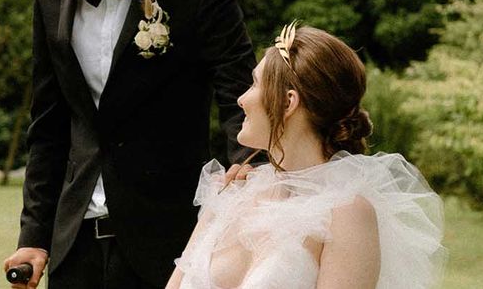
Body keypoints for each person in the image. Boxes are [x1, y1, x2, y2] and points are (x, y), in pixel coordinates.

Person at [3, 0, 255, 289]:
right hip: (74, 248)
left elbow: (241, 100)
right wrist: (34, 237)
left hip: (172, 246)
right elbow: (49, 126)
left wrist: (246, 171)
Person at [167, 23, 446, 289]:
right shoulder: (231, 194)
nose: (241, 99)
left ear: (288, 102)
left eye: (254, 84)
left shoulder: (346, 211)